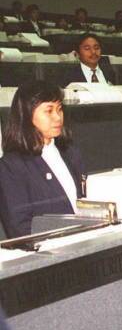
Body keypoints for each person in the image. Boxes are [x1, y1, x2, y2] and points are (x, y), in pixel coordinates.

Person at [0, 81, 85, 238]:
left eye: (59, 109)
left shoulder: (70, 153)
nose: (57, 117)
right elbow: (19, 227)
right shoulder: (11, 166)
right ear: (27, 114)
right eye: (49, 111)